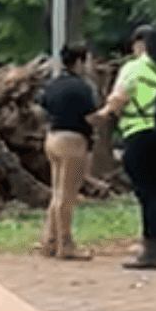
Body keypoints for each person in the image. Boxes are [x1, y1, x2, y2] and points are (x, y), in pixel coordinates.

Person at [90, 26, 156, 270]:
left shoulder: (134, 68)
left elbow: (119, 99)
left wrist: (101, 115)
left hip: (141, 135)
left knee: (148, 193)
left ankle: (151, 252)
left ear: (141, 44)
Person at [37, 45, 98, 260]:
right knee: (68, 196)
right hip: (73, 141)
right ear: (79, 62)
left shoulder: (51, 84)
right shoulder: (83, 88)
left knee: (57, 193)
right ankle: (66, 244)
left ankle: (49, 241)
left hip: (52, 138)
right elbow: (91, 117)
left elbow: (41, 109)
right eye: (87, 61)